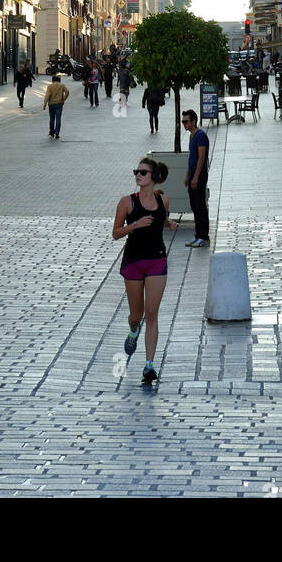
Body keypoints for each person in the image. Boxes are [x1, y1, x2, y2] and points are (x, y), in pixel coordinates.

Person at [112, 157, 178, 386]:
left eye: (142, 172)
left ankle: (149, 366)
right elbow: (116, 233)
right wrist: (135, 225)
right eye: (136, 172)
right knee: (136, 316)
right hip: (133, 261)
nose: (137, 176)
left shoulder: (164, 200)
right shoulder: (127, 202)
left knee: (151, 314)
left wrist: (168, 222)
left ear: (153, 177)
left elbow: (161, 216)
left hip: (157, 261)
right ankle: (132, 331)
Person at [182, 110, 209, 248]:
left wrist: (196, 177)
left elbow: (201, 158)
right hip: (193, 174)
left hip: (199, 175)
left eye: (186, 121)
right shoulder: (192, 136)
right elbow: (191, 158)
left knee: (200, 206)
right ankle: (198, 235)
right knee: (194, 205)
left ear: (193, 121)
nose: (184, 124)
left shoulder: (201, 136)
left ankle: (203, 236)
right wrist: (188, 175)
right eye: (183, 122)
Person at [43, 74, 69, 139]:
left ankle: (52, 132)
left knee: (52, 119)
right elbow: (67, 92)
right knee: (58, 118)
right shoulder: (62, 85)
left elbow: (47, 95)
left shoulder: (50, 86)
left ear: (52, 80)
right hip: (59, 104)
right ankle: (57, 133)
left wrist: (45, 104)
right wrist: (64, 99)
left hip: (51, 104)